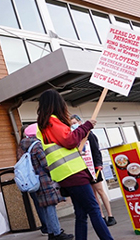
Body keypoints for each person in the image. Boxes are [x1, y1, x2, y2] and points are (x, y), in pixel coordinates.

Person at [36, 89, 113, 240]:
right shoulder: (53, 121)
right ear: (57, 103)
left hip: (64, 174)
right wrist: (86, 126)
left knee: (81, 213)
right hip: (73, 172)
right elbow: (70, 141)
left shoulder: (43, 125)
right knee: (94, 209)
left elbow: (62, 146)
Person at [19, 124, 73, 240]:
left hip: (35, 180)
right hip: (44, 180)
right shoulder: (37, 145)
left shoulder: (23, 146)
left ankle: (51, 232)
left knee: (44, 207)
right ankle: (57, 233)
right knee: (50, 206)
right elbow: (46, 164)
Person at [70, 115, 117, 226]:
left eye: (74, 122)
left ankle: (110, 215)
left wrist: (98, 165)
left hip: (94, 167)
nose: (73, 125)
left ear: (80, 122)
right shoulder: (76, 136)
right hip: (84, 168)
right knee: (93, 194)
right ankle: (101, 216)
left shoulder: (90, 135)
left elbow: (96, 151)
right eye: (71, 124)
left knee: (100, 191)